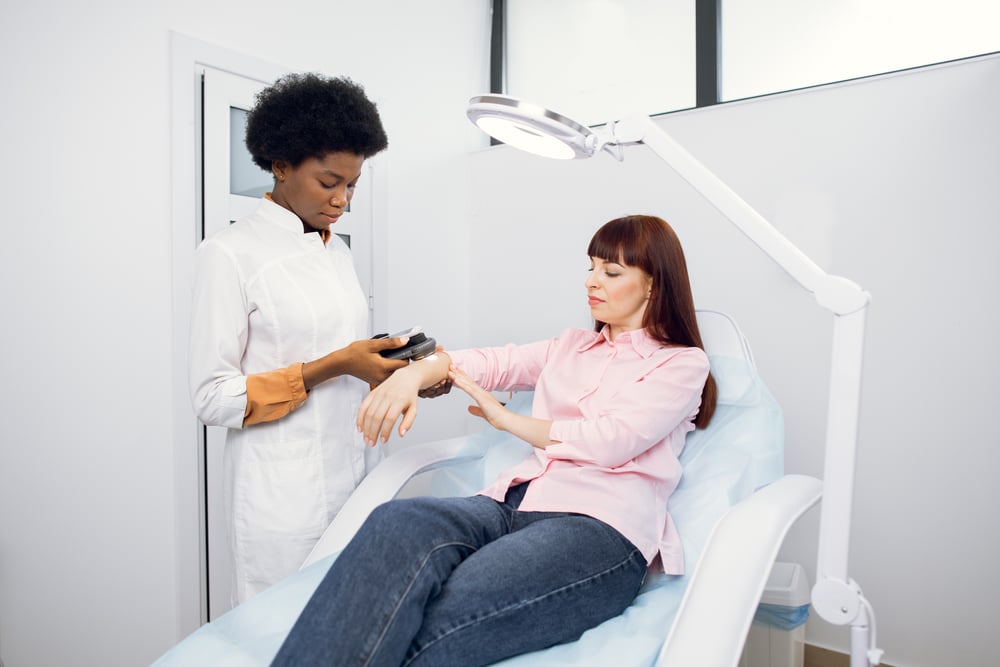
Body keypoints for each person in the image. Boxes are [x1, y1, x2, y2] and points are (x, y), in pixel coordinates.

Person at [270, 214, 719, 666]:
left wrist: (504, 419)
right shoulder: (569, 346)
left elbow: (610, 441)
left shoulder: (682, 364)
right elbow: (487, 363)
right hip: (509, 504)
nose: (591, 282)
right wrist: (414, 376)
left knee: (437, 616)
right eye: (591, 267)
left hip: (598, 529)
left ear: (653, 286)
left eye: (611, 272)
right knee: (398, 521)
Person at [189, 72, 420, 604]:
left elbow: (348, 358)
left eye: (352, 184)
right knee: (283, 636)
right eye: (328, 181)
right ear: (281, 165)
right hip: (281, 496)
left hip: (357, 476)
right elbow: (211, 396)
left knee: (354, 628)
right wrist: (334, 365)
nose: (342, 199)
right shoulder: (228, 255)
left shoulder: (335, 251)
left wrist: (394, 370)